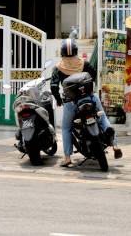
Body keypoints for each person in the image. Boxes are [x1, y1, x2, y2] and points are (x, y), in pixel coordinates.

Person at [50, 38, 122, 167]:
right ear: (76, 51)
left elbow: (54, 87)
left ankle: (67, 158)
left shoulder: (58, 68)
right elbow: (93, 75)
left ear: (62, 53)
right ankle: (115, 145)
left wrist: (59, 100)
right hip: (90, 98)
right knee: (102, 117)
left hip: (71, 103)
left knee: (66, 128)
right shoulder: (84, 64)